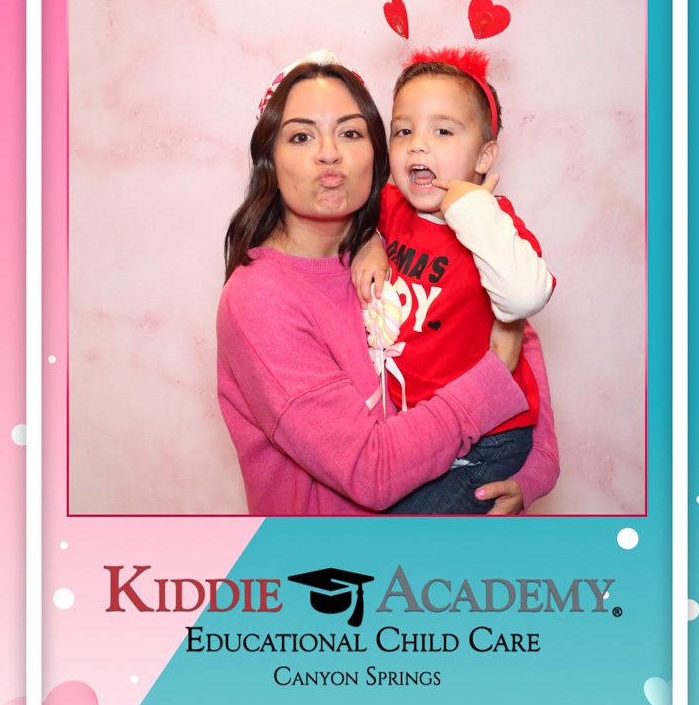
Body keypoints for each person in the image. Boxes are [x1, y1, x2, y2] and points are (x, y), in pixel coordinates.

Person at [217, 58, 558, 516]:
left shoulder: (406, 235)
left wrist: (536, 468)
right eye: (301, 136)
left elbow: (514, 334)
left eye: (350, 133)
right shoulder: (259, 300)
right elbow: (371, 471)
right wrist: (493, 375)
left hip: (465, 476)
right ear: (269, 160)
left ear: (374, 155)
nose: (328, 153)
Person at [351, 49, 556, 514]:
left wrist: (469, 205)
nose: (418, 145)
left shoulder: (495, 226)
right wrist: (370, 240)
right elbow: (352, 222)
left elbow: (525, 297)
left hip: (488, 438)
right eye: (404, 131)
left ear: (484, 155)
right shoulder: (390, 205)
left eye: (442, 131)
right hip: (418, 429)